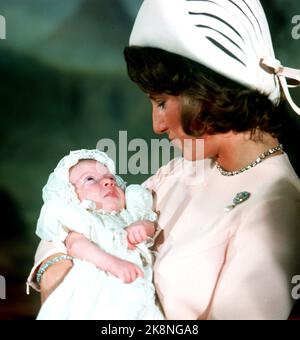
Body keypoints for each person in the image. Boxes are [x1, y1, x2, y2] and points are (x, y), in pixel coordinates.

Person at [28, 0, 300, 320]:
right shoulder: (181, 170)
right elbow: (76, 212)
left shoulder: (279, 205)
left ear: (207, 92)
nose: (157, 126)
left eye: (160, 102)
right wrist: (53, 266)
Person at [32, 149, 164, 320]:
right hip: (98, 288)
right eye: (90, 179)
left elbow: (152, 225)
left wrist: (142, 227)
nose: (108, 183)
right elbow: (76, 245)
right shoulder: (84, 219)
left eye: (110, 178)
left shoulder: (131, 215)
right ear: (71, 195)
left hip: (138, 289)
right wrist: (113, 264)